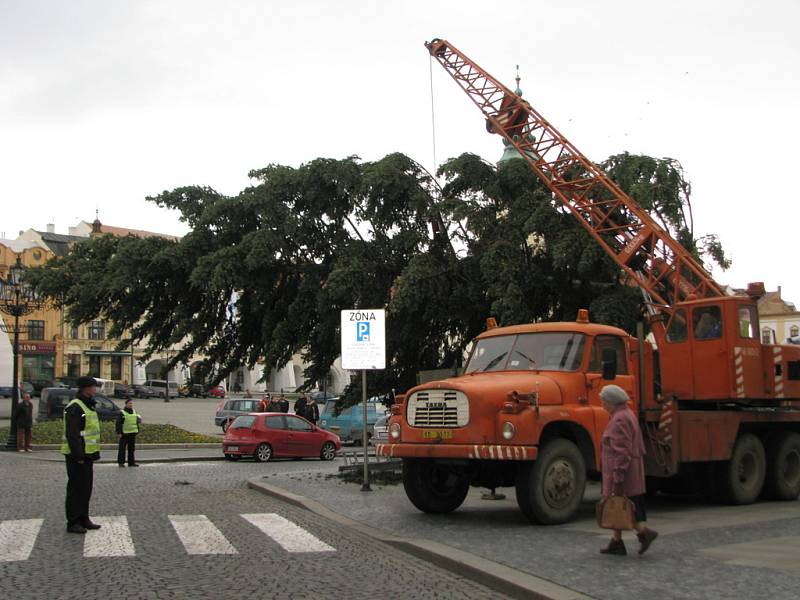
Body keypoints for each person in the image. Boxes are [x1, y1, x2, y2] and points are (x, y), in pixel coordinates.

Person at [599, 384, 658, 556]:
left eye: (603, 400)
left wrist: (618, 475)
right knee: (617, 506)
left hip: (623, 473)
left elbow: (622, 451)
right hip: (628, 472)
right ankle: (616, 542)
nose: (602, 404)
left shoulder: (619, 419)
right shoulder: (625, 414)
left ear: (611, 401)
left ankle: (644, 533)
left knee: (624, 506)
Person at [62, 376, 102, 534]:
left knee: (86, 488)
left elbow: (89, 431)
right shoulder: (75, 406)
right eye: (93, 387)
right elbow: (73, 433)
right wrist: (78, 455)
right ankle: (73, 521)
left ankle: (84, 518)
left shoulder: (88, 405)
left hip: (88, 454)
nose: (95, 389)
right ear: (85, 388)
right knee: (75, 489)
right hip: (77, 455)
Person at [116, 398, 141, 467]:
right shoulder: (122, 412)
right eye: (129, 403)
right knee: (122, 449)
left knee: (131, 449)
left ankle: (131, 462)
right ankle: (121, 462)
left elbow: (136, 422)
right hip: (124, 434)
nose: (131, 405)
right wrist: (119, 432)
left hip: (132, 433)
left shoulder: (134, 411)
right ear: (126, 404)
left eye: (131, 403)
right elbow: (118, 423)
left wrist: (138, 430)